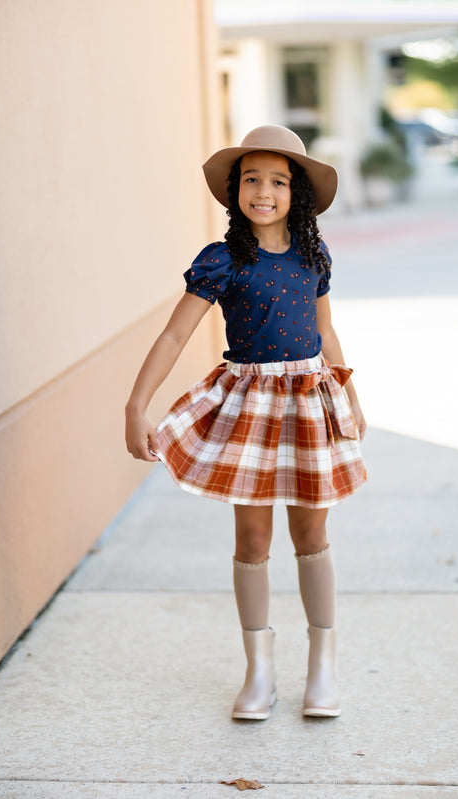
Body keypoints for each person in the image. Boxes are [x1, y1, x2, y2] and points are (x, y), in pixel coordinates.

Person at [125, 125, 367, 720]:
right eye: (251, 179)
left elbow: (326, 329)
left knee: (311, 536)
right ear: (235, 190)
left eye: (278, 181)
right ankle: (259, 671)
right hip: (251, 405)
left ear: (297, 194)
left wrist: (351, 393)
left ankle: (322, 668)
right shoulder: (223, 259)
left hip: (309, 400)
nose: (263, 190)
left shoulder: (314, 256)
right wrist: (137, 405)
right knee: (253, 539)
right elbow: (174, 333)